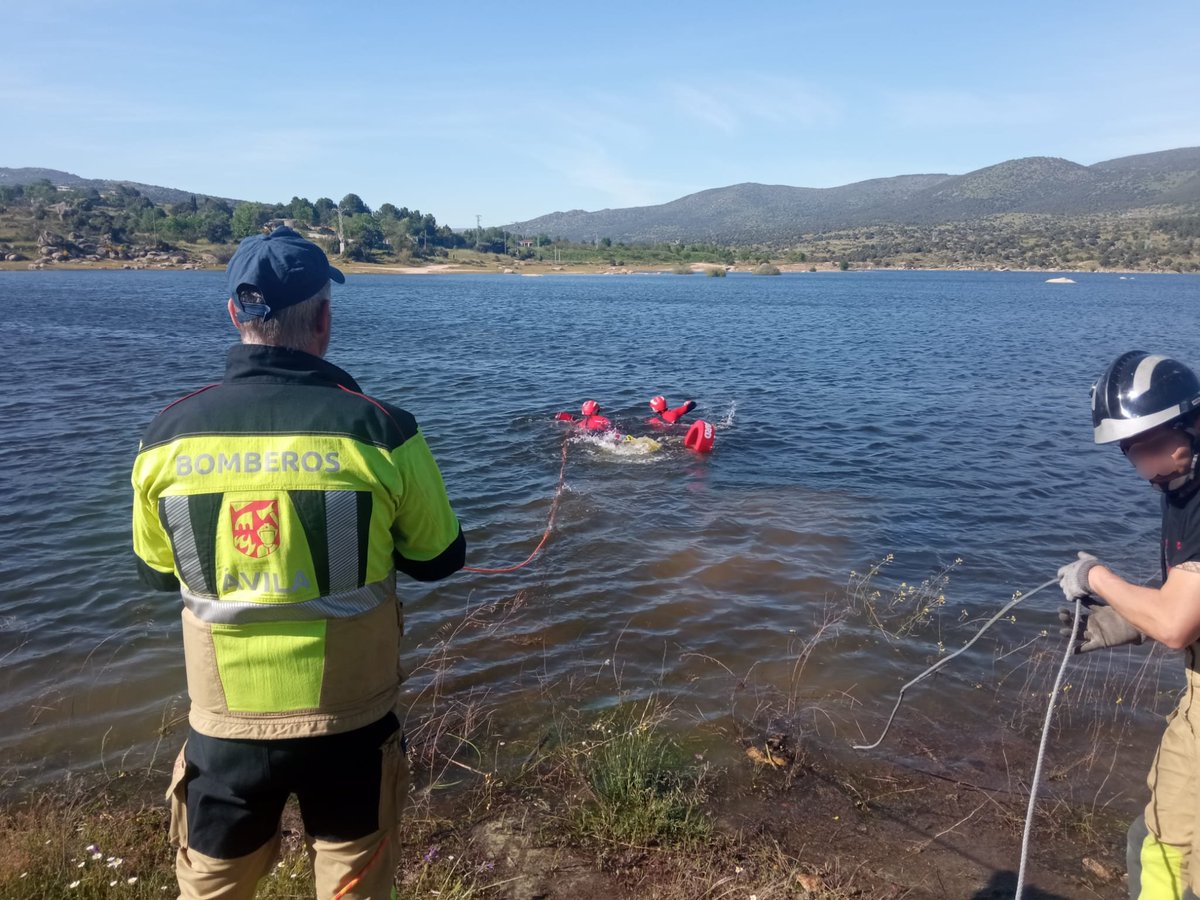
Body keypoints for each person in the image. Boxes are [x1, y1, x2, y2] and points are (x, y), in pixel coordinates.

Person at [131, 226, 464, 900]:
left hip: (223, 730)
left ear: (235, 314)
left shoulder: (165, 438)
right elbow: (439, 559)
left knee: (212, 890)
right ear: (325, 318)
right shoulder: (382, 430)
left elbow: (157, 572)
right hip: (351, 725)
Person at [1057, 350, 1200, 898]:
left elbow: (1176, 626)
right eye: (1129, 451)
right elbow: (1183, 602)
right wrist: (1127, 621)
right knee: (1155, 838)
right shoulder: (1181, 482)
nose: (1143, 466)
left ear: (1190, 420)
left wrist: (1097, 578)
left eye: (1150, 446)